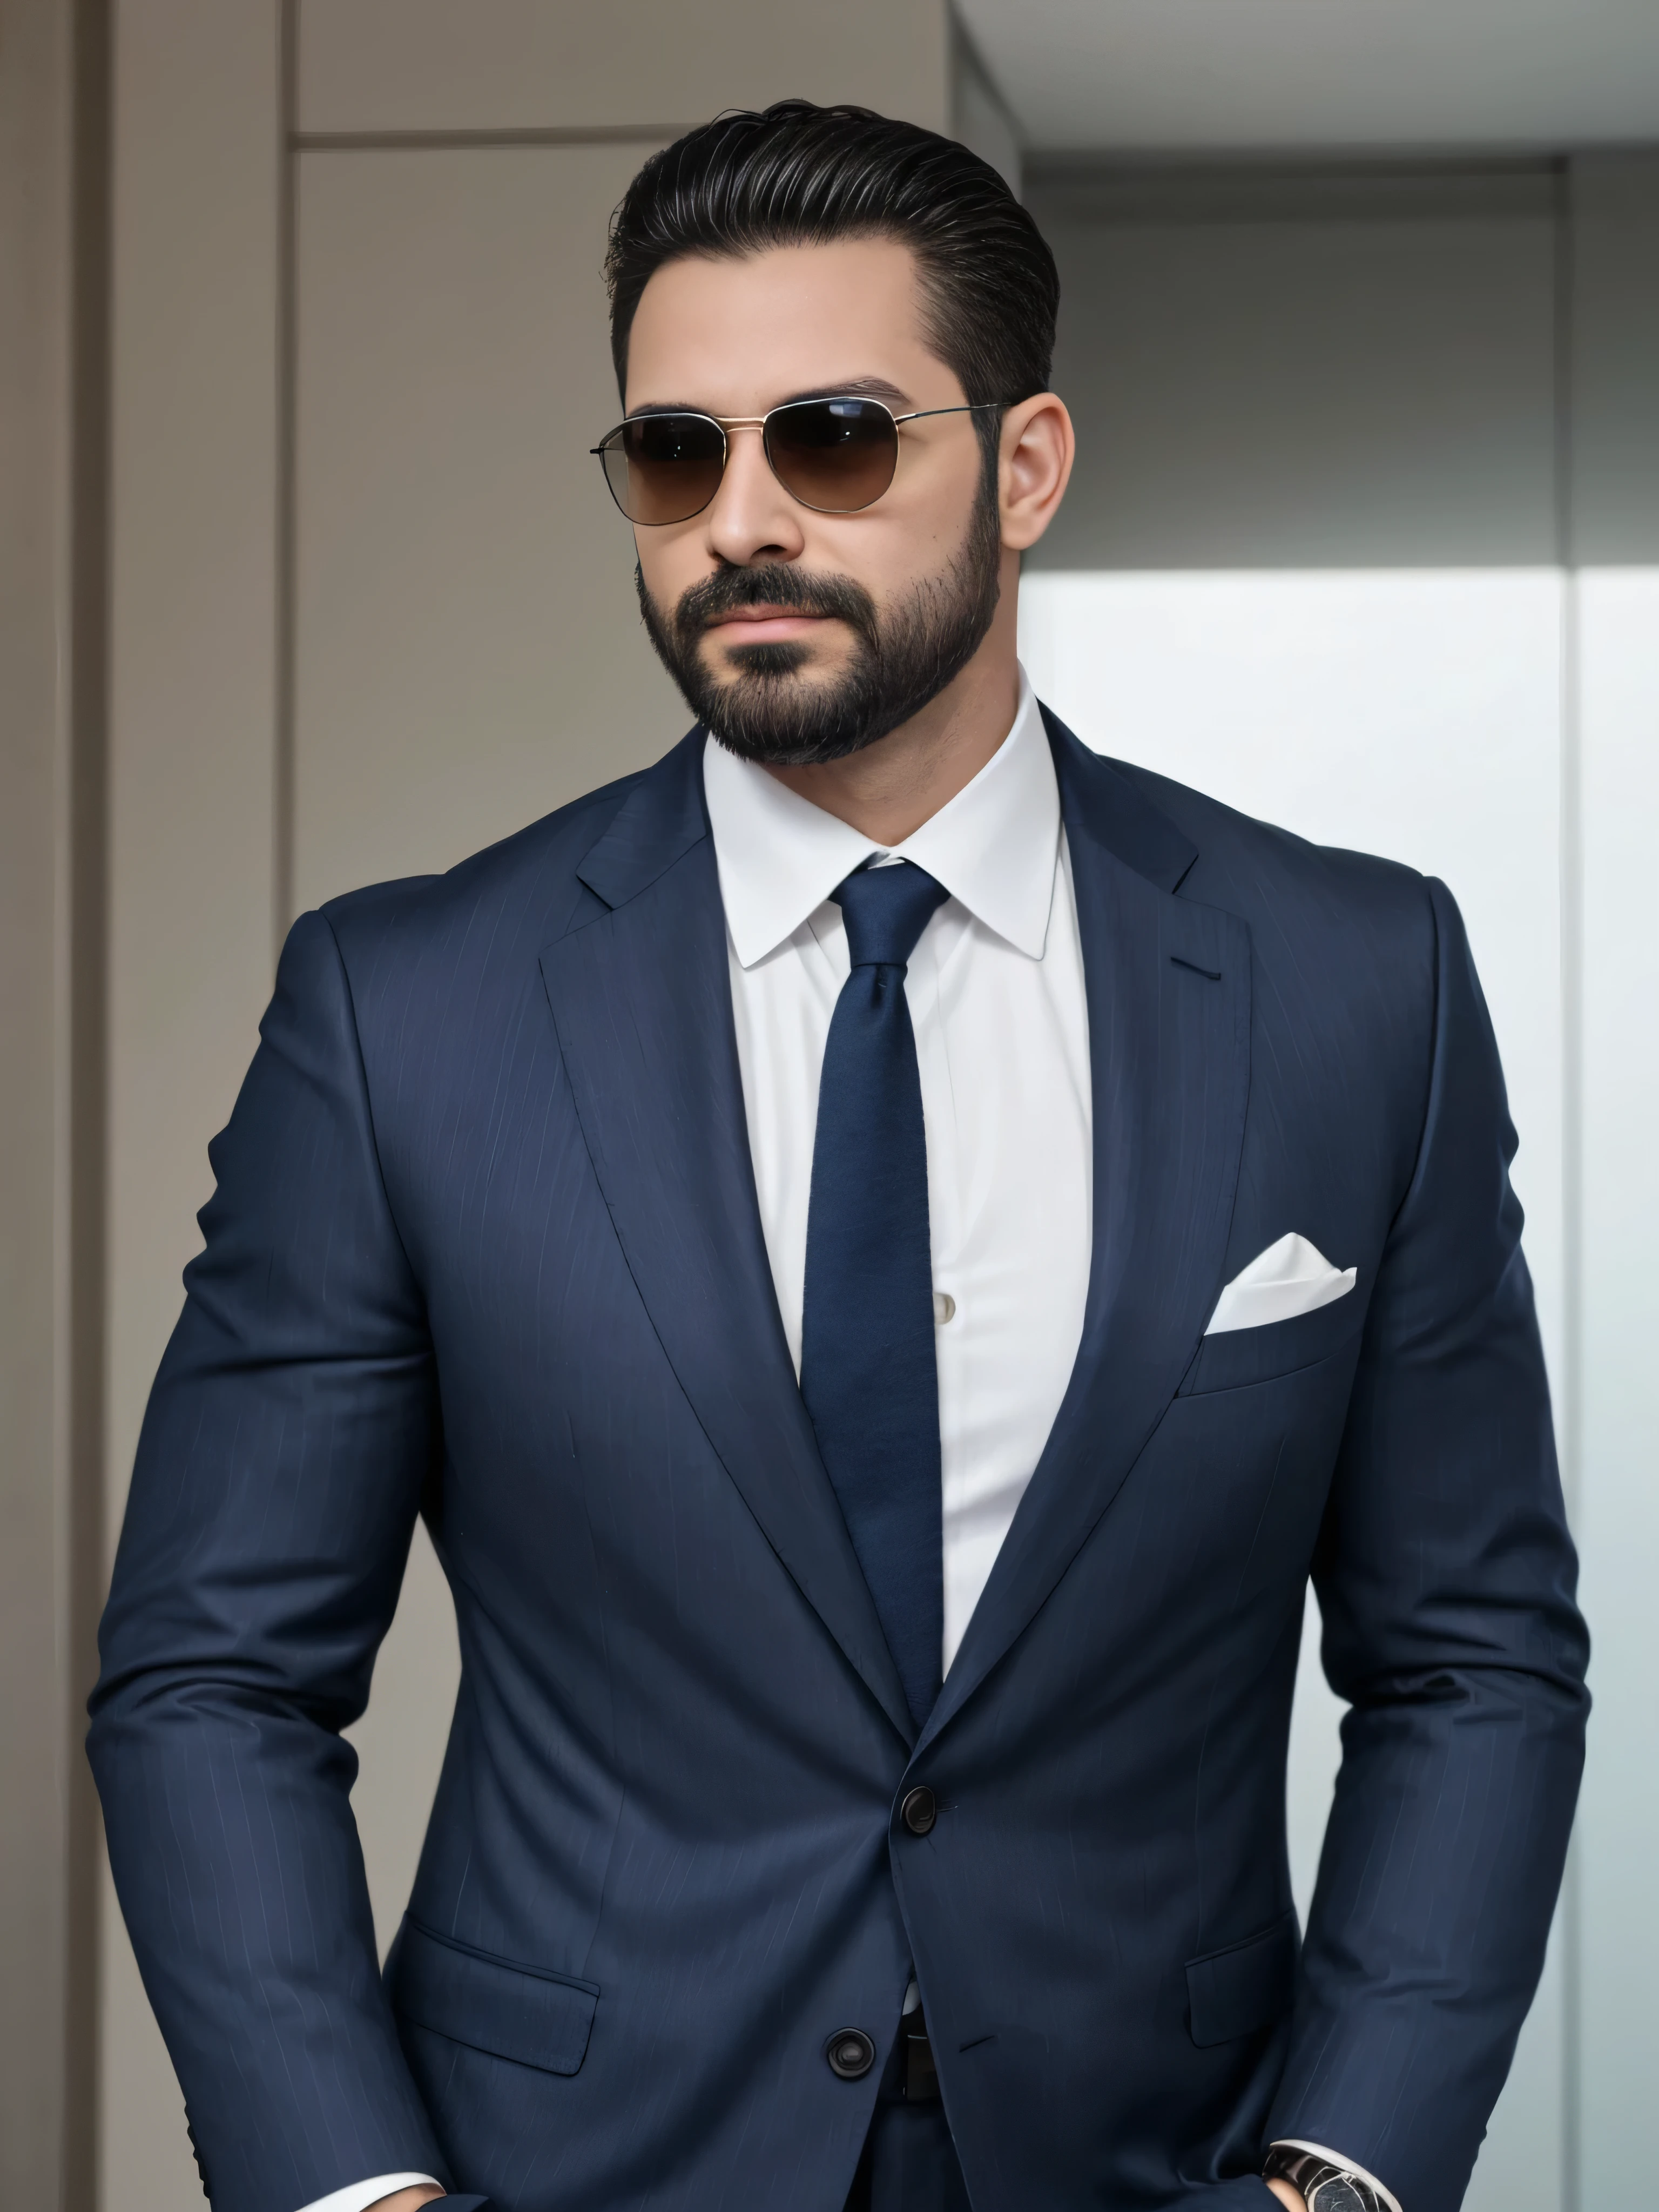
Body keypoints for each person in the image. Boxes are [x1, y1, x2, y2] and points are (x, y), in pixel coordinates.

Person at [90, 101, 1588, 2212]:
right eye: (676, 454)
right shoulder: (404, 1009)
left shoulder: (1358, 981)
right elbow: (213, 1674)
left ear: (1029, 462)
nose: (743, 518)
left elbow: (1471, 1656)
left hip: (1152, 2160)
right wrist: (352, 2191)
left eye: (839, 437)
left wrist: (1342, 2172)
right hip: (573, 2161)